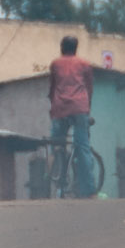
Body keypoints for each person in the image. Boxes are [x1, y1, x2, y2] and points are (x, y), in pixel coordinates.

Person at [46, 33, 97, 196]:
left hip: (60, 108)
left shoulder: (55, 64)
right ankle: (89, 189)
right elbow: (89, 89)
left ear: (62, 48)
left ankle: (49, 180)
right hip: (79, 108)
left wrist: (52, 107)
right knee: (82, 147)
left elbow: (52, 89)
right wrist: (87, 108)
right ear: (76, 48)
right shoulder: (85, 64)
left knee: (55, 144)